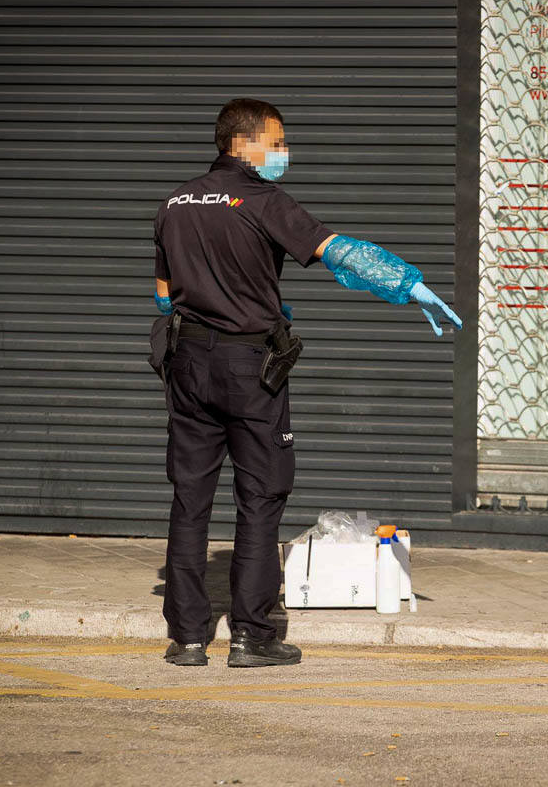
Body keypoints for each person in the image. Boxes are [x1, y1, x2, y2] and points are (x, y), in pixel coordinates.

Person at [153, 98, 461, 667]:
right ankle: (250, 636)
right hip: (249, 369)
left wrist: (241, 299)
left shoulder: (174, 202)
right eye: (277, 140)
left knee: (190, 501)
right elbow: (338, 251)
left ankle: (188, 638)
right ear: (243, 143)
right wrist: (409, 285)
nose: (283, 152)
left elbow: (164, 294)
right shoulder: (262, 199)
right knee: (261, 498)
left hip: (189, 364)